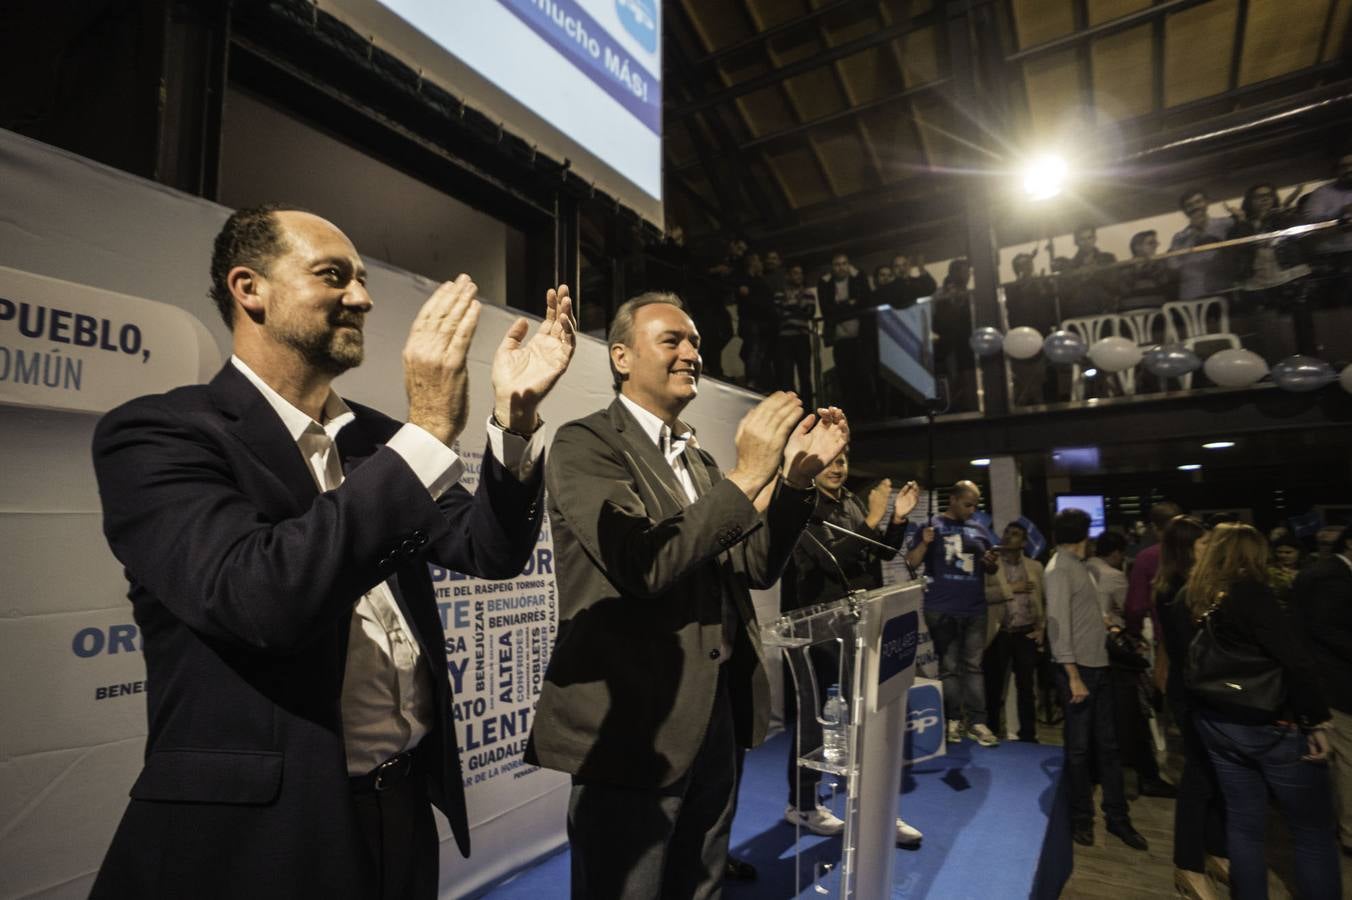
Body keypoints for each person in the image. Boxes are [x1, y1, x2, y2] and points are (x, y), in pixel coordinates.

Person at [88, 205, 578, 899]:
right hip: (259, 839)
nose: (363, 298)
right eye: (333, 275)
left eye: (363, 279)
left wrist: (515, 419)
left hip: (401, 810)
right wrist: (431, 427)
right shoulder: (160, 434)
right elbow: (259, 599)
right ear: (248, 289)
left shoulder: (377, 441)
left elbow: (489, 549)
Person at [525, 292, 849, 898]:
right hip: (632, 728)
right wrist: (751, 473)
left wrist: (795, 486)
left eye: (696, 341)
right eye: (672, 340)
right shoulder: (584, 444)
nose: (691, 353)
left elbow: (753, 567)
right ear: (621, 357)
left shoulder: (697, 461)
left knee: (700, 885)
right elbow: (643, 565)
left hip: (714, 718)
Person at [1183, 523, 1341, 900]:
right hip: (1269, 722)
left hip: (1217, 719)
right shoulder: (1251, 594)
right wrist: (1316, 719)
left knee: (1243, 824)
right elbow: (1296, 662)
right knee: (1312, 832)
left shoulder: (1200, 595)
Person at [780, 453, 920, 843]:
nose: (838, 467)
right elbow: (828, 562)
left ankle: (873, 809)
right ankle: (803, 805)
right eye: (828, 460)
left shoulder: (850, 503)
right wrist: (875, 519)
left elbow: (880, 553)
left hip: (859, 623)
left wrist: (897, 520)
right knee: (817, 723)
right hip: (815, 632)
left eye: (842, 460)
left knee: (866, 719)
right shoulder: (798, 505)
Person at [1044, 508, 1149, 851]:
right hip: (1079, 670)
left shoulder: (1079, 567)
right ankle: (1081, 820)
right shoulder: (1059, 569)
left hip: (1098, 666)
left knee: (1108, 747)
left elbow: (1078, 614)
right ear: (1084, 535)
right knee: (1078, 750)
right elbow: (1057, 625)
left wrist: (1106, 624)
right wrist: (1073, 675)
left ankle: (1117, 818)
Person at [1154, 517, 1228, 899]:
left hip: (1202, 692)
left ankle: (1216, 849)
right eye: (1202, 546)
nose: (1208, 551)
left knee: (1213, 773)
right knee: (1198, 777)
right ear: (1186, 549)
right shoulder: (1174, 590)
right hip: (1195, 694)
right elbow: (1190, 651)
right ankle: (1187, 864)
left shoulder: (1192, 586)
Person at [906, 481, 1000, 746]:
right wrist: (924, 543)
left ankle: (978, 722)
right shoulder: (932, 525)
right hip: (941, 608)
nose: (972, 509)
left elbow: (991, 568)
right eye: (968, 504)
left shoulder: (980, 529)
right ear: (954, 500)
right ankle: (953, 721)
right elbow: (912, 562)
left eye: (975, 505)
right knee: (949, 667)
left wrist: (991, 564)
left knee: (973, 666)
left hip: (975, 608)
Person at [1090, 531, 1176, 799]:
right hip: (1120, 650)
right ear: (1115, 552)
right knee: (1136, 713)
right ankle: (1144, 775)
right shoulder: (1116, 575)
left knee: (1109, 715)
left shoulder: (1086, 568)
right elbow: (1133, 609)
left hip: (1096, 650)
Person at [1289, 525, 1352, 856]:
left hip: (1325, 679)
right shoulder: (1331, 576)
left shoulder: (1325, 572)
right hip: (1333, 680)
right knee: (1344, 757)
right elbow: (1326, 630)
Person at [983, 521, 1045, 742]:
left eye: (1016, 534)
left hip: (1026, 633)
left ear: (1024, 541)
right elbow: (983, 595)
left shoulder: (1035, 567)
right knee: (994, 687)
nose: (1009, 537)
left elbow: (1044, 600)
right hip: (1000, 633)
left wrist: (1041, 628)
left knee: (1027, 688)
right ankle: (993, 731)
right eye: (1007, 533)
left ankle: (1028, 735)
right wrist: (1011, 589)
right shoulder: (991, 565)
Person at [819, 252, 875, 413]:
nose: (841, 267)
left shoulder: (857, 279)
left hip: (860, 338)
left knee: (864, 376)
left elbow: (865, 299)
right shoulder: (826, 284)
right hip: (840, 339)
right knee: (845, 378)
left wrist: (840, 306)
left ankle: (868, 413)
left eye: (844, 264)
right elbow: (827, 309)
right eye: (837, 264)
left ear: (849, 265)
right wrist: (850, 304)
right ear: (832, 267)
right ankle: (852, 414)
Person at [1169, 189, 1234, 300]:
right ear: (1185, 211)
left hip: (1222, 288)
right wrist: (1192, 235)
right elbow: (1173, 265)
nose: (1195, 207)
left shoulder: (1226, 224)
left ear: (1207, 202)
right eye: (1189, 205)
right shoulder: (1179, 237)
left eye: (1198, 202)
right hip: (1192, 292)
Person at [773, 263, 818, 409]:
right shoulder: (780, 293)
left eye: (800, 273)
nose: (797, 276)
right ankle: (791, 410)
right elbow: (778, 313)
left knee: (805, 375)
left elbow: (809, 312)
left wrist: (790, 306)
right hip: (785, 339)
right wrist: (797, 306)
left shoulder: (808, 293)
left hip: (802, 337)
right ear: (788, 275)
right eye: (794, 273)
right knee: (787, 376)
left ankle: (808, 409)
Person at [1267, 534, 1304, 598]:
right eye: (1279, 552)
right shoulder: (1269, 571)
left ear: (1299, 552)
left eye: (1288, 552)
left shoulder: (1307, 570)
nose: (1283, 555)